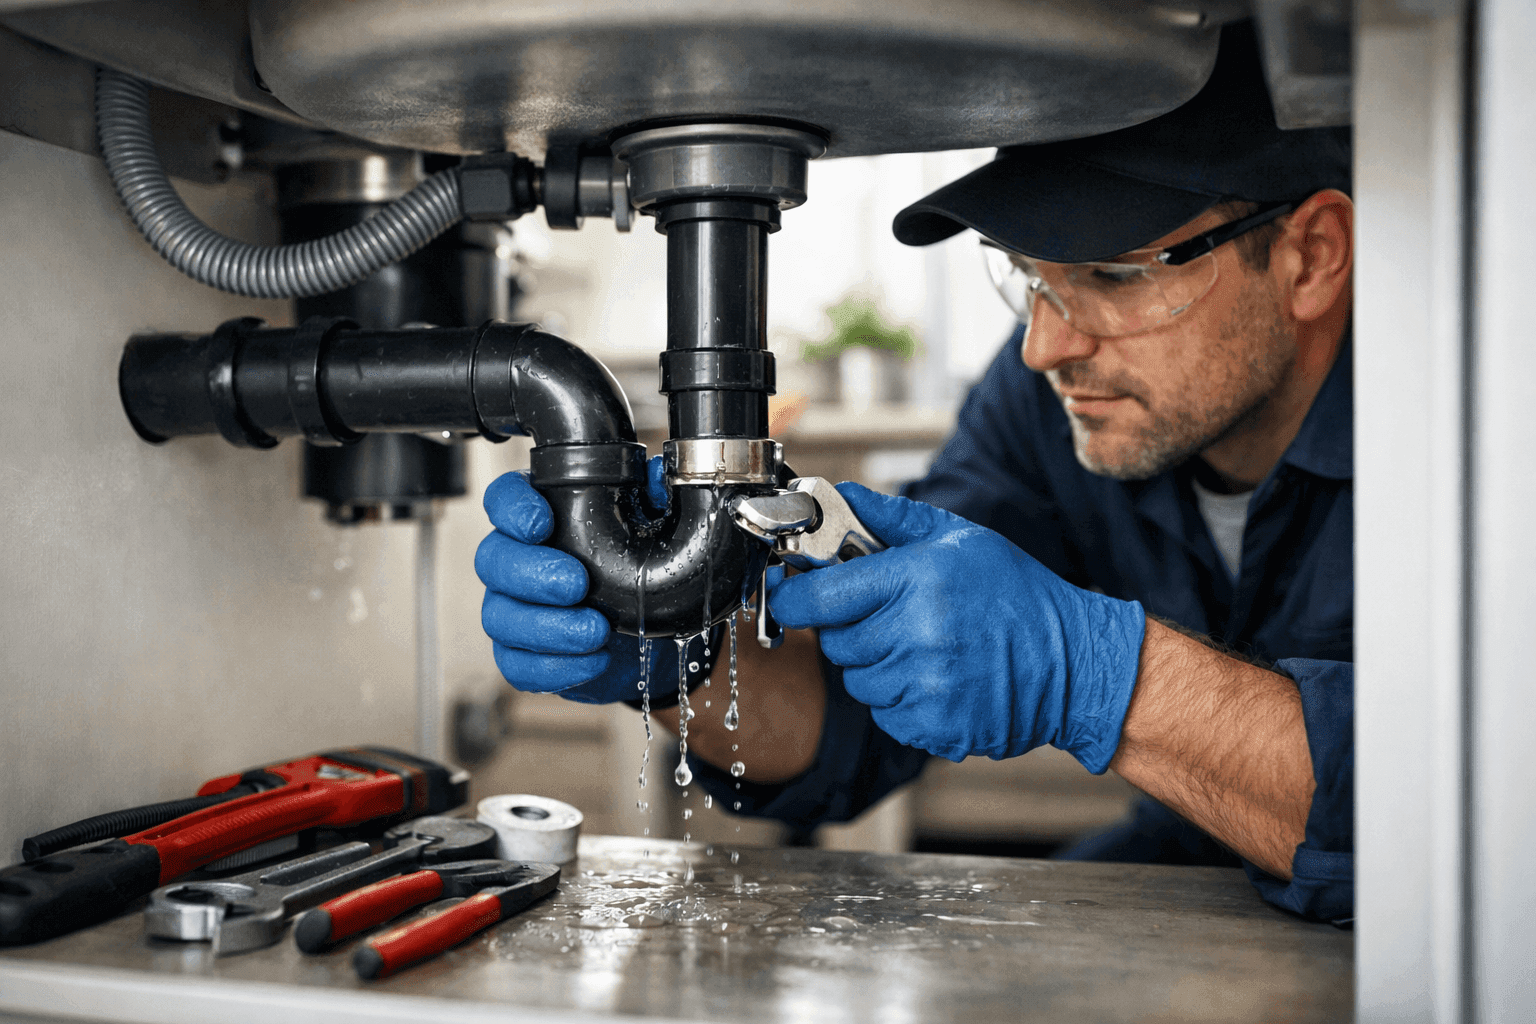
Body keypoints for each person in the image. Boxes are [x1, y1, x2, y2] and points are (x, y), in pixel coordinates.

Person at [476, 22, 1354, 923]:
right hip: (1198, 863)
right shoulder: (1042, 404)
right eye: (1030, 279)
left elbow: (1477, 815)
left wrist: (1104, 678)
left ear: (1311, 255)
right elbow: (849, 731)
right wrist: (675, 652)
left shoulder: (1472, 449)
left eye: (1111, 276)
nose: (1048, 346)